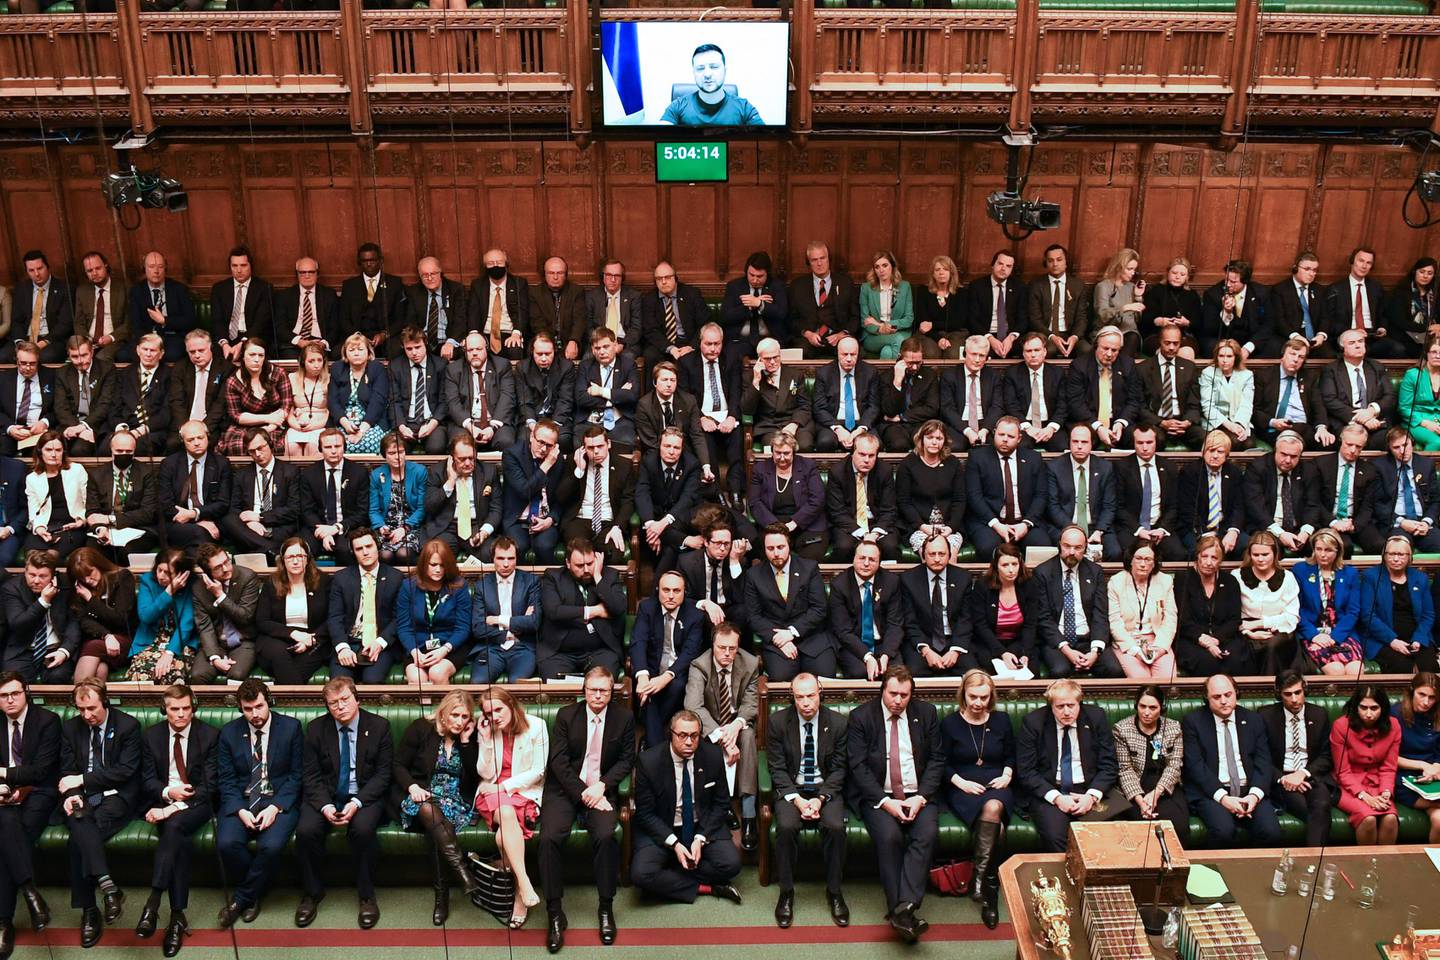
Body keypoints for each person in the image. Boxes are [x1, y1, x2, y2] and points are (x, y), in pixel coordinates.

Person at [538, 667, 635, 952]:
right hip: (566, 789)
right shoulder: (567, 716)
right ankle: (554, 912)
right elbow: (559, 763)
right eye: (592, 689)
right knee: (549, 838)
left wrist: (603, 786)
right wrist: (584, 794)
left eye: (604, 690)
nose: (597, 695)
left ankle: (606, 907)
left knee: (606, 835)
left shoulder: (624, 718)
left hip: (601, 788)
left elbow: (627, 760)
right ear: (584, 690)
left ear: (611, 692)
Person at [846, 665, 942, 941]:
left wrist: (922, 797)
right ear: (882, 691)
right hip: (878, 796)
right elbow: (858, 768)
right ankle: (902, 910)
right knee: (889, 837)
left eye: (904, 694)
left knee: (925, 834)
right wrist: (886, 802)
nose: (898, 700)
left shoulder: (926, 714)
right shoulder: (861, 717)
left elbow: (936, 760)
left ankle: (903, 910)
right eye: (893, 694)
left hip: (918, 794)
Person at [295, 677, 392, 930]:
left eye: (345, 700)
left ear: (357, 699)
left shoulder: (380, 726)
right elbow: (311, 776)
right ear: (327, 706)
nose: (340, 707)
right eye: (333, 703)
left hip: (364, 795)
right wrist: (326, 806)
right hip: (326, 796)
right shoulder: (316, 729)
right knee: (306, 830)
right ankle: (312, 892)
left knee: (362, 829)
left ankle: (366, 895)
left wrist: (357, 802)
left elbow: (383, 775)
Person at [136, 683, 219, 957]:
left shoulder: (208, 736)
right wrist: (166, 793)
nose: (181, 715)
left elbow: (210, 788)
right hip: (163, 801)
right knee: (176, 838)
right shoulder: (151, 736)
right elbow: (145, 780)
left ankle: (153, 900)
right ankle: (176, 917)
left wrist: (172, 808)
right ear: (165, 710)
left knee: (174, 825)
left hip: (197, 804)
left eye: (186, 709)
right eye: (175, 709)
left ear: (193, 708)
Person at [58, 678, 140, 948]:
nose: (87, 715)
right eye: (81, 709)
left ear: (104, 700)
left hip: (116, 797)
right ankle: (108, 889)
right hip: (82, 798)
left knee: (77, 839)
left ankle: (90, 911)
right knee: (81, 827)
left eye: (91, 708)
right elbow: (66, 771)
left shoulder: (127, 725)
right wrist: (71, 796)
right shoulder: (71, 728)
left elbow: (124, 772)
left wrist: (79, 782)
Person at [215, 679, 303, 928]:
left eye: (259, 707)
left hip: (278, 800)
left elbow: (297, 776)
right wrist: (240, 810)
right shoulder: (229, 733)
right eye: (248, 709)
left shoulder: (291, 727)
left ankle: (243, 898)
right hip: (242, 800)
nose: (255, 714)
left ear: (269, 701)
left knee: (271, 846)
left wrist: (275, 808)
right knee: (226, 843)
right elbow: (227, 779)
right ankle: (254, 893)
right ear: (240, 708)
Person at [631, 709, 742, 903]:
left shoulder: (713, 755)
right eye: (682, 735)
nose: (689, 742)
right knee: (641, 874)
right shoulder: (649, 761)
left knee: (731, 865)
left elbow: (721, 804)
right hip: (664, 827)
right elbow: (645, 814)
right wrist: (674, 843)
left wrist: (700, 838)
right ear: (670, 734)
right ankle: (706, 888)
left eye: (694, 736)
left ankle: (667, 877)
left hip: (701, 825)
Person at [767, 672, 850, 929]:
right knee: (786, 827)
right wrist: (798, 800)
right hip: (793, 788)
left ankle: (834, 891)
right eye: (799, 697)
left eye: (810, 696)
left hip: (825, 788)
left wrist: (821, 798)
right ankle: (787, 892)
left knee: (835, 827)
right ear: (792, 697)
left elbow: (839, 770)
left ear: (820, 692)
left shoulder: (837, 723)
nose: (805, 703)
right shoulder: (778, 722)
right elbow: (777, 768)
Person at [392, 690, 481, 925]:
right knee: (428, 810)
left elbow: (474, 775)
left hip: (455, 799)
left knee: (438, 832)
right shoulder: (421, 728)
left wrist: (465, 742)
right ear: (443, 713)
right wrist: (412, 787)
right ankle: (463, 872)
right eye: (455, 715)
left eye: (464, 717)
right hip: (422, 793)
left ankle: (442, 897)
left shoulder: (469, 737)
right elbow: (399, 764)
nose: (460, 722)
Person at [940, 670, 1013, 929]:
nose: (978, 702)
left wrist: (1007, 774)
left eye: (984, 697)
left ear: (991, 696)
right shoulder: (950, 724)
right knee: (999, 829)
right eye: (973, 696)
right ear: (964, 694)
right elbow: (941, 763)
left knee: (993, 807)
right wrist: (960, 782)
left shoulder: (1002, 720)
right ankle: (989, 893)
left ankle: (979, 878)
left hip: (997, 784)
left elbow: (1011, 757)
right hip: (963, 787)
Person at [474, 687, 549, 928]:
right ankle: (523, 885)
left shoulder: (536, 726)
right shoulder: (488, 730)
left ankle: (518, 884)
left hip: (523, 790)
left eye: (498, 709)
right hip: (490, 792)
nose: (494, 716)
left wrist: (505, 787)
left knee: (503, 833)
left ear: (511, 705)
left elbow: (539, 771)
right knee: (506, 813)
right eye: (489, 712)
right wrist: (485, 741)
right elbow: (485, 773)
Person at [1016, 678, 1118, 853]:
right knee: (1055, 837)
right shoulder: (1034, 723)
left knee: (1106, 836)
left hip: (1088, 789)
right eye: (1060, 706)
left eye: (1071, 705)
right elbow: (1027, 771)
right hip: (1051, 790)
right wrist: (1057, 798)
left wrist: (1091, 796)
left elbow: (1109, 765)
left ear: (1079, 703)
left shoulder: (1096, 717)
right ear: (1051, 706)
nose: (1066, 712)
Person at [684, 621, 761, 850]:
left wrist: (736, 725)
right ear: (713, 645)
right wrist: (722, 735)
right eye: (721, 648)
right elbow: (694, 706)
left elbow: (751, 702)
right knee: (711, 741)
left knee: (747, 737)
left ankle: (749, 815)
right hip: (712, 727)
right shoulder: (699, 666)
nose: (727, 653)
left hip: (739, 723)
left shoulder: (750, 663)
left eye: (732, 648)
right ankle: (724, 804)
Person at [0, 672, 61, 958]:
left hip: (39, 793)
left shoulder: (47, 721)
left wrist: (3, 775)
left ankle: (3, 923)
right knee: (7, 820)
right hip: (4, 799)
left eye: (14, 693)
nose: (10, 700)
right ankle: (30, 893)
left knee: (7, 840)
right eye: (3, 696)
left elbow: (39, 771)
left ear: (26, 692)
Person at [1181, 673, 1281, 846]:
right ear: (1207, 698)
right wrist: (1224, 798)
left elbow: (1263, 762)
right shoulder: (1193, 722)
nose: (1223, 701)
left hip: (1249, 789)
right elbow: (1195, 766)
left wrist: (1254, 796)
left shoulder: (1253, 720)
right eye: (1217, 696)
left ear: (1236, 693)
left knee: (1271, 832)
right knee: (1223, 832)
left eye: (1228, 695)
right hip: (1213, 792)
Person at [744, 523, 836, 681]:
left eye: (780, 547)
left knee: (824, 677)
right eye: (770, 548)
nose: (776, 553)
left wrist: (791, 632)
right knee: (781, 677)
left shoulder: (809, 568)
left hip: (811, 636)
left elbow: (819, 608)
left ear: (789, 545)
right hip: (777, 638)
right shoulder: (754, 575)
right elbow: (753, 616)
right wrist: (778, 640)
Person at [1258, 671, 1335, 849]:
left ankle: (1314, 861)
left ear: (1304, 690)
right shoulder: (1265, 716)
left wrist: (1302, 774)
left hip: (1310, 775)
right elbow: (1261, 757)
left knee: (1322, 804)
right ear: (1279, 694)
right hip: (1281, 778)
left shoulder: (1319, 714)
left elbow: (1326, 756)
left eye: (1298, 692)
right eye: (1288, 694)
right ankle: (1314, 861)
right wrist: (1284, 778)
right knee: (1307, 810)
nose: (1294, 699)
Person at [1035, 525, 1122, 678]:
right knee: (1059, 671)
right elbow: (1044, 619)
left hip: (1088, 639)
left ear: (1085, 549)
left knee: (1114, 670)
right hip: (1058, 642)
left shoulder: (1095, 572)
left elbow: (1100, 615)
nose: (1072, 552)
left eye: (1078, 548)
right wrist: (1067, 650)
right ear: (1059, 545)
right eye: (1067, 546)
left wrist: (1095, 652)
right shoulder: (1043, 573)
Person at [630, 571, 704, 746]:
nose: (671, 596)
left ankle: (651, 745)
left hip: (678, 672)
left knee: (674, 687)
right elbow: (638, 641)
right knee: (648, 692)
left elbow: (690, 652)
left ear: (684, 592)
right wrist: (642, 676)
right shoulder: (647, 608)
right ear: (658, 590)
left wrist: (666, 676)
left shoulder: (695, 614)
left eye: (676, 591)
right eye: (666, 590)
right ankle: (660, 747)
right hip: (652, 669)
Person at [1110, 685, 1189, 846]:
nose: (1146, 712)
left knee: (1177, 827)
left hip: (1165, 787)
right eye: (1142, 706)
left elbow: (1174, 766)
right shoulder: (1122, 729)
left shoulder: (1173, 728)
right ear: (1136, 706)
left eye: (1152, 707)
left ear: (1162, 708)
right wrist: (1140, 801)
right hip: (1134, 788)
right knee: (1139, 827)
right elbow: (1125, 770)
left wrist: (1156, 794)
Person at [538, 538, 626, 679]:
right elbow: (554, 611)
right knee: (556, 687)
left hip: (600, 651)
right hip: (560, 653)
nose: (586, 570)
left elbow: (618, 608)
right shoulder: (553, 578)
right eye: (579, 565)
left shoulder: (609, 576)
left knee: (602, 682)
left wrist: (598, 577)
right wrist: (593, 611)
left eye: (590, 564)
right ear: (568, 563)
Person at [327, 528, 404, 684]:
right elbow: (335, 617)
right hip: (350, 642)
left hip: (381, 643)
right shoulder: (341, 578)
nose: (365, 552)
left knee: (372, 681)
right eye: (359, 549)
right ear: (353, 553)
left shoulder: (395, 577)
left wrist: (381, 642)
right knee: (339, 684)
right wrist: (342, 647)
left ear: (377, 547)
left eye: (369, 546)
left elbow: (399, 618)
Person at [965, 415, 1051, 556]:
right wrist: (997, 525)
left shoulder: (1033, 459)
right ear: (994, 434)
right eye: (1001, 434)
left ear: (1019, 439)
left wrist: (1026, 523)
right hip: (990, 522)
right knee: (988, 547)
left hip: (1024, 522)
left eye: (1010, 436)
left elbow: (1041, 495)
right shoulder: (977, 457)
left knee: (1042, 546)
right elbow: (974, 497)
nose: (1005, 439)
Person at [1331, 685, 1402, 846]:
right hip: (1347, 786)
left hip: (1377, 782)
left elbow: (1389, 767)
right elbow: (1342, 771)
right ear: (1355, 707)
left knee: (1390, 818)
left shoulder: (1394, 726)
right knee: (1368, 818)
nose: (1368, 714)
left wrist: (1386, 792)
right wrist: (1364, 796)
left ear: (1383, 708)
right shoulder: (1341, 726)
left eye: (1374, 708)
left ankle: (1384, 867)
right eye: (1363, 707)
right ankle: (1365, 868)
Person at [395, 539, 471, 686]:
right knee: (417, 678)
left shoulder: (459, 586)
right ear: (424, 564)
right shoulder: (408, 586)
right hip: (417, 646)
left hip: (450, 645)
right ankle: (426, 707)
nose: (438, 570)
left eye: (442, 565)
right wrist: (414, 652)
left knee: (437, 673)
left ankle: (445, 709)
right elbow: (404, 627)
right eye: (433, 565)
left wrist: (444, 650)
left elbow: (463, 628)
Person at [254, 538, 330, 685]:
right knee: (279, 654)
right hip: (277, 638)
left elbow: (331, 618)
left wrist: (310, 640)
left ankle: (282, 698)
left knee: (293, 668)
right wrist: (293, 634)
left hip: (313, 640)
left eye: (300, 556)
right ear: (283, 561)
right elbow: (262, 621)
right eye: (290, 557)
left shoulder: (323, 582)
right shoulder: (272, 583)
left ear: (307, 559)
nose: (295, 561)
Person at [1359, 535, 1439, 674]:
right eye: (1391, 554)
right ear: (1384, 556)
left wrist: (1418, 638)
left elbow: (1428, 614)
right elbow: (1368, 615)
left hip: (1416, 637)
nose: (1396, 559)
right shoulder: (1371, 576)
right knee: (1402, 666)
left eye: (1401, 554)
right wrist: (1392, 641)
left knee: (1429, 667)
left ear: (1409, 556)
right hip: (1383, 639)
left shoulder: (1420, 578)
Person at [1173, 533, 1249, 676]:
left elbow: (1234, 620)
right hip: (1192, 638)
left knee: (1234, 660)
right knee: (1207, 661)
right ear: (1198, 557)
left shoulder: (1230, 581)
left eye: (1214, 558)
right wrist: (1205, 641)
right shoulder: (1183, 579)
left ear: (1220, 560)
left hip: (1223, 636)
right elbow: (1183, 620)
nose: (1209, 562)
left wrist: (1216, 640)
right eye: (1205, 556)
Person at [1292, 528, 1364, 676]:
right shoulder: (1301, 570)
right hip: (1313, 633)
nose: (1322, 554)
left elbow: (1353, 612)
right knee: (1336, 670)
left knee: (1355, 670)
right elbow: (1296, 609)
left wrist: (1334, 637)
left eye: (1328, 550)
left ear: (1338, 551)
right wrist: (1314, 636)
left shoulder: (1350, 573)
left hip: (1342, 633)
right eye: (1319, 549)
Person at [558, 426, 634, 566]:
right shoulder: (573, 461)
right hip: (580, 520)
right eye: (591, 448)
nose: (596, 451)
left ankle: (603, 587)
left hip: (609, 522)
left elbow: (628, 501)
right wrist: (579, 470)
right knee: (578, 556)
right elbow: (561, 497)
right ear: (583, 448)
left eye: (600, 446)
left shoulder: (624, 465)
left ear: (608, 444)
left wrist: (618, 527)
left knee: (614, 553)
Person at [829, 540, 904, 680]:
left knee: (895, 676)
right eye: (862, 558)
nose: (866, 563)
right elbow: (843, 631)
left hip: (883, 643)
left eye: (872, 559)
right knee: (860, 674)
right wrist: (868, 657)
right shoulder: (839, 585)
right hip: (853, 645)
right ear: (854, 559)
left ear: (879, 562)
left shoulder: (891, 582)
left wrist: (885, 655)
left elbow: (895, 624)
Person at [470, 536, 541, 683]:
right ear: (493, 559)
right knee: (478, 683)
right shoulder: (481, 586)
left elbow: (534, 622)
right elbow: (478, 627)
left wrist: (496, 619)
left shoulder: (531, 582)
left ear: (517, 558)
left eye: (511, 558)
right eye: (501, 558)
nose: (506, 564)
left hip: (522, 647)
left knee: (517, 683)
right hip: (492, 648)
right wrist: (510, 632)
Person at [0, 550, 78, 683]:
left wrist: (64, 651)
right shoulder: (12, 588)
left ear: (53, 576)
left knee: (58, 676)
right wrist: (43, 601)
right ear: (25, 572)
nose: (36, 581)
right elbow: (18, 624)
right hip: (23, 648)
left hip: (56, 648)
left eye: (42, 576)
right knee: (13, 681)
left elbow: (74, 623)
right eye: (31, 575)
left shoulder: (65, 587)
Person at [223, 428, 301, 560]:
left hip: (278, 525)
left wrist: (260, 518)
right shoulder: (242, 475)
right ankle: (272, 551)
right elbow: (234, 509)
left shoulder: (290, 472)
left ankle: (264, 549)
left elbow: (294, 510)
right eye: (252, 451)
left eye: (260, 448)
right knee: (228, 520)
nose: (257, 454)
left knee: (287, 529)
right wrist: (249, 523)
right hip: (249, 528)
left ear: (270, 445)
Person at [422, 433, 501, 562]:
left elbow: (496, 509)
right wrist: (450, 482)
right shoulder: (437, 471)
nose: (468, 463)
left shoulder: (488, 472)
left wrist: (484, 532)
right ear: (452, 457)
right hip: (447, 527)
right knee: (438, 557)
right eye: (462, 459)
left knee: (489, 555)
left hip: (477, 526)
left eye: (471, 458)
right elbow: (429, 506)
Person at [749, 431, 827, 561]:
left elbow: (817, 499)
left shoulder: (808, 466)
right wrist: (776, 527)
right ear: (772, 451)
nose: (782, 458)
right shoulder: (760, 469)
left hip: (806, 523)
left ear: (793, 452)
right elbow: (754, 502)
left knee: (810, 558)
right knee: (768, 552)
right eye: (777, 453)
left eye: (786, 453)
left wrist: (795, 522)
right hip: (772, 523)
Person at [1046, 423, 1120, 559]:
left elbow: (1109, 506)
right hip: (1064, 526)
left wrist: (1099, 531)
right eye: (1075, 441)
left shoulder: (1105, 468)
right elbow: (1053, 506)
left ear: (1092, 444)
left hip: (1096, 527)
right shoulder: (1054, 467)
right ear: (1069, 443)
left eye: (1084, 442)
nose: (1079, 446)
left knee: (1114, 552)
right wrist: (1073, 531)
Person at [124, 547, 196, 686]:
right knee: (140, 675)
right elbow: (146, 616)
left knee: (171, 673)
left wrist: (170, 652)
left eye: (167, 573)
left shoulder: (192, 586)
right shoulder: (147, 581)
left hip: (181, 642)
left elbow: (186, 623)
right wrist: (169, 592)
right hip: (150, 640)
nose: (161, 576)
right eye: (159, 570)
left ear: (182, 574)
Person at [299, 428, 371, 564]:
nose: (333, 451)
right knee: (302, 549)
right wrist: (323, 531)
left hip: (348, 527)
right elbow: (306, 511)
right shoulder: (309, 474)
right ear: (320, 449)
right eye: (328, 447)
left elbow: (362, 513)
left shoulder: (359, 473)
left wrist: (336, 528)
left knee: (345, 550)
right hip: (317, 527)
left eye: (337, 446)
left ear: (344, 447)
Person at [191, 545, 261, 685]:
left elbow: (245, 616)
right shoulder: (199, 589)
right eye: (218, 567)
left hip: (244, 640)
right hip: (217, 643)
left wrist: (220, 595)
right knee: (198, 675)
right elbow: (204, 626)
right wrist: (215, 657)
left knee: (236, 675)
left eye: (227, 561)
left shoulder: (247, 577)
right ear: (207, 572)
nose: (226, 568)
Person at [1316, 327, 1396, 451]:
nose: (1358, 346)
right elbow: (1330, 400)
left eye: (1360, 341)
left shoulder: (1377, 367)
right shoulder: (1331, 369)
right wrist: (1361, 418)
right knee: (1350, 441)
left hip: (1376, 422)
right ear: (1342, 348)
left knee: (1384, 440)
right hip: (1346, 421)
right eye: (1352, 343)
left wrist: (1371, 411)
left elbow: (1389, 395)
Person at [636, 426, 703, 572]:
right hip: (654, 518)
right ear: (659, 445)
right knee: (667, 549)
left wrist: (664, 523)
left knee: (670, 551)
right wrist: (651, 526)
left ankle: (659, 589)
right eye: (667, 446)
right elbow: (642, 493)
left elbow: (687, 499)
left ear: (682, 449)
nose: (671, 452)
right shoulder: (649, 461)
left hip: (680, 519)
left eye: (676, 447)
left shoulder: (692, 464)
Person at [1106, 541, 1176, 680]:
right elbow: (1115, 623)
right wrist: (1135, 650)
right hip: (1128, 640)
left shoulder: (1165, 581)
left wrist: (1160, 648)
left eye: (1148, 559)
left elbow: (1170, 619)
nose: (1143, 564)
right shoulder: (1116, 582)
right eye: (1138, 558)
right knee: (1141, 679)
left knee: (1167, 679)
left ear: (1155, 562)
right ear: (1130, 559)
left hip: (1156, 639)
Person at [157, 420, 232, 549]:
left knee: (195, 546)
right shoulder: (169, 464)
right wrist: (195, 520)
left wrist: (195, 514)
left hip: (211, 520)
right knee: (199, 533)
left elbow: (223, 503)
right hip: (178, 522)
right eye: (190, 440)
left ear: (207, 436)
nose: (196, 443)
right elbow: (165, 503)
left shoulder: (221, 464)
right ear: (182, 441)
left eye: (200, 438)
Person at [968, 542, 1039, 676]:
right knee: (991, 668)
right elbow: (980, 624)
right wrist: (1002, 653)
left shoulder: (1029, 584)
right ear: (996, 567)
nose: (1011, 570)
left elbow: (1031, 624)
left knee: (1031, 670)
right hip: (990, 642)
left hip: (1019, 641)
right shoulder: (983, 585)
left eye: (1015, 564)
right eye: (1005, 565)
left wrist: (1025, 653)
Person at [895, 419, 964, 557]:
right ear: (921, 439)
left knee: (949, 555)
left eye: (939, 438)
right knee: (931, 554)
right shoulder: (908, 464)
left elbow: (960, 500)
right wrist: (923, 526)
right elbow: (904, 502)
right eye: (930, 437)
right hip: (919, 527)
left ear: (944, 441)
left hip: (949, 527)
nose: (934, 442)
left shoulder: (953, 463)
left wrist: (950, 528)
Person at [67, 547, 136, 684]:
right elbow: (84, 621)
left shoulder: (122, 578)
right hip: (99, 638)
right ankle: (94, 703)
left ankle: (78, 696)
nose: (87, 580)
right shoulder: (80, 589)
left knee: (93, 647)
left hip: (125, 638)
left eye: (90, 572)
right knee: (100, 670)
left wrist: (90, 600)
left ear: (98, 564)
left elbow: (120, 619)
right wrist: (106, 635)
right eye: (82, 577)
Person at [1313, 423, 1383, 556]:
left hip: (1355, 520)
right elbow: (1314, 501)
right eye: (1349, 444)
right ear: (1341, 440)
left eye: (1358, 447)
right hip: (1329, 519)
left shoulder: (1369, 470)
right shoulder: (1320, 464)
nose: (1353, 450)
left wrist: (1354, 525)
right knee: (1344, 546)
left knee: (1379, 545)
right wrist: (1333, 522)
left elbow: (1368, 506)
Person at [1064, 326, 1139, 449]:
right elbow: (1075, 403)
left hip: (1117, 423)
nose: (1109, 354)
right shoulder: (1079, 366)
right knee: (1081, 440)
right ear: (1096, 345)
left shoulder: (1128, 365)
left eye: (1114, 350)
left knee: (1140, 440)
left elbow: (1134, 400)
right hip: (1088, 423)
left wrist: (1120, 423)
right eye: (1105, 348)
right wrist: (1098, 426)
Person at [442, 331, 517, 453]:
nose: (475, 353)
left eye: (478, 349)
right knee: (460, 444)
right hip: (466, 423)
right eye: (470, 350)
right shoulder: (453, 370)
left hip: (495, 420)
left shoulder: (502, 366)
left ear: (486, 349)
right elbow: (452, 403)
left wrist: (492, 427)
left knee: (505, 441)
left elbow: (507, 398)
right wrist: (470, 426)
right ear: (464, 352)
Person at [501, 419, 565, 562]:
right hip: (518, 520)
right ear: (531, 437)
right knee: (518, 547)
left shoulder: (558, 459)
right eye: (540, 442)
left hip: (545, 518)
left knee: (544, 546)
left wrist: (550, 519)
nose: (543, 449)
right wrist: (547, 465)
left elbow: (561, 497)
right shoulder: (512, 455)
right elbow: (525, 491)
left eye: (549, 445)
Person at [1175, 429, 1246, 557]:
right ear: (1203, 452)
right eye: (1211, 450)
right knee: (1199, 551)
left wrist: (1233, 531)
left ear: (1227, 455)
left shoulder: (1234, 473)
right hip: (1195, 528)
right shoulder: (1190, 472)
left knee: (1244, 546)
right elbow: (1187, 510)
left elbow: (1239, 506)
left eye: (1220, 452)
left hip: (1224, 528)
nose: (1215, 455)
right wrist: (1205, 534)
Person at [1253, 336, 1332, 449]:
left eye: (1301, 357)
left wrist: (1321, 428)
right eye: (1292, 354)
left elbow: (1318, 407)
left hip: (1303, 428)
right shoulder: (1264, 376)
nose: (1296, 360)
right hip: (1273, 428)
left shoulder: (1309, 378)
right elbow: (1255, 410)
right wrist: (1273, 422)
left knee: (1328, 441)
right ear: (1283, 355)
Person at [1324, 246, 1402, 358]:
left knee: (1398, 349)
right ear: (1352, 261)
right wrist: (1352, 331)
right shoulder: (1336, 288)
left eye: (1368, 263)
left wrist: (1382, 327)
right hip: (1348, 334)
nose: (1364, 266)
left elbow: (1383, 313)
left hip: (1371, 335)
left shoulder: (1376, 287)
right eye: (1361, 261)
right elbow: (1330, 321)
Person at [217, 339, 292, 456]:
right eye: (252, 355)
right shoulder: (233, 381)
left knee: (272, 446)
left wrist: (271, 426)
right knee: (237, 446)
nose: (257, 359)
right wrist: (267, 418)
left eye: (261, 355)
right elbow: (236, 415)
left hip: (275, 424)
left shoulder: (278, 373)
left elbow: (286, 404)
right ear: (243, 356)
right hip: (246, 424)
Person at [659, 43, 764, 125]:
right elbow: (658, 141)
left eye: (714, 67)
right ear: (694, 73)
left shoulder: (744, 108)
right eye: (700, 68)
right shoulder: (678, 106)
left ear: (725, 71)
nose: (707, 74)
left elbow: (765, 143)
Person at [1372, 426, 1440, 552]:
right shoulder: (1379, 466)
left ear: (1412, 443)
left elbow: (1435, 500)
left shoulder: (1426, 464)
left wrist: (1426, 522)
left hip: (1423, 523)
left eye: (1405, 445)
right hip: (1396, 524)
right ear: (1390, 449)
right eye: (1396, 447)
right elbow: (1379, 504)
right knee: (1399, 550)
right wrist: (1402, 521)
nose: (1402, 451)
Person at [1136, 324, 1203, 449]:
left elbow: (1194, 403)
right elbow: (1140, 406)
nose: (1171, 347)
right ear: (1159, 342)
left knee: (1203, 438)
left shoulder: (1189, 367)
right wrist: (1162, 423)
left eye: (1175, 343)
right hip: (1156, 422)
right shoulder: (1143, 369)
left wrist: (1187, 422)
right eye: (1167, 343)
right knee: (1157, 439)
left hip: (1182, 422)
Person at [788, 241, 859, 359]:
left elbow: (855, 317)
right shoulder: (797, 286)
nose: (819, 263)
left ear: (828, 259)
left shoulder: (845, 283)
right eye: (814, 260)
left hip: (838, 338)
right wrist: (807, 334)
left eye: (822, 258)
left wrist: (842, 334)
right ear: (808, 263)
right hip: (808, 340)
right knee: (800, 352)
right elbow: (791, 319)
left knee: (849, 351)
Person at [22, 431, 87, 557]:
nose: (53, 454)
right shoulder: (32, 478)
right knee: (32, 555)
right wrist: (39, 529)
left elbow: (88, 502)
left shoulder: (76, 470)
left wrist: (80, 521)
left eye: (58, 450)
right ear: (40, 452)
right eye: (48, 450)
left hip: (72, 527)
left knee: (51, 556)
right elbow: (33, 512)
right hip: (46, 527)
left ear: (63, 452)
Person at [744, 337, 816, 450]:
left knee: (804, 446)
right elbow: (747, 410)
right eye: (767, 359)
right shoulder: (751, 378)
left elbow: (805, 406)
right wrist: (756, 382)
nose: (772, 362)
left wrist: (794, 424)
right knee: (775, 448)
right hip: (769, 427)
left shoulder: (796, 375)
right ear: (760, 359)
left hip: (796, 424)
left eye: (775, 357)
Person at [165, 331, 231, 454]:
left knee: (210, 445)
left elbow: (221, 404)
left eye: (201, 350)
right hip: (184, 424)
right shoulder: (180, 368)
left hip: (211, 426)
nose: (197, 355)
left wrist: (203, 430)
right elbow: (176, 401)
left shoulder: (225, 368)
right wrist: (186, 429)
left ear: (210, 347)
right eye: (192, 352)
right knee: (172, 445)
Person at [575, 327, 640, 449]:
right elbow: (581, 398)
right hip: (590, 420)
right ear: (593, 350)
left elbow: (632, 395)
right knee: (580, 447)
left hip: (619, 420)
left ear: (615, 346)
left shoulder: (628, 364)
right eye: (597, 348)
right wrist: (617, 396)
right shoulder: (585, 366)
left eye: (606, 346)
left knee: (625, 445)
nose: (602, 352)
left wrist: (600, 391)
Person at [54, 334, 118, 457]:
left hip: (96, 425)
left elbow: (105, 405)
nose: (80, 361)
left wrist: (84, 426)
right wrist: (76, 429)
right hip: (69, 425)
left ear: (92, 352)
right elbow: (60, 407)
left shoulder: (107, 369)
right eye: (75, 357)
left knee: (79, 450)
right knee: (52, 448)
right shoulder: (62, 373)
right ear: (68, 355)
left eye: (84, 355)